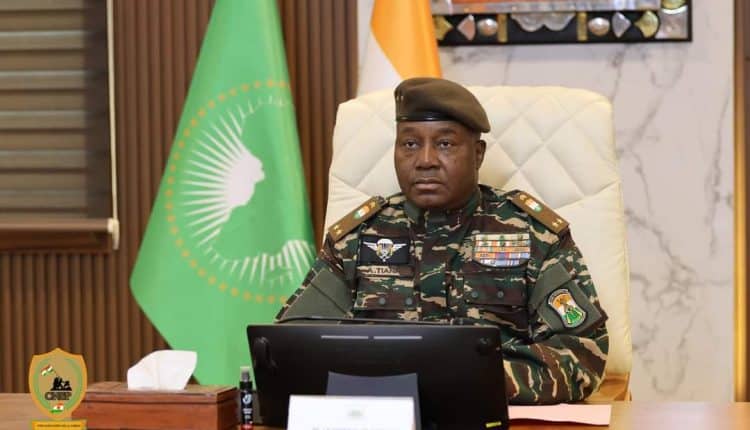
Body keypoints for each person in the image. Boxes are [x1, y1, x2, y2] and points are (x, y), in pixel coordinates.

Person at [276, 77, 609, 404]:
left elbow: (583, 352)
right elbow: (292, 347)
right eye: (410, 144)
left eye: (445, 144)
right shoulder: (356, 239)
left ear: (478, 154)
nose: (425, 160)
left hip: (492, 413)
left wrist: (475, 381)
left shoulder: (533, 235)